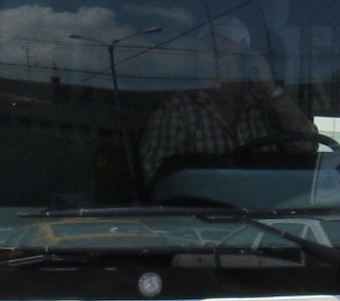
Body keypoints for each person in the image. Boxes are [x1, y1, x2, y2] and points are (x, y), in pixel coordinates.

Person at [137, 17, 320, 183]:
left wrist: (270, 88)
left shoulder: (269, 104)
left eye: (227, 51)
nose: (218, 60)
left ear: (247, 60)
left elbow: (307, 146)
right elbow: (155, 175)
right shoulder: (177, 109)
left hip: (268, 212)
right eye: (211, 51)